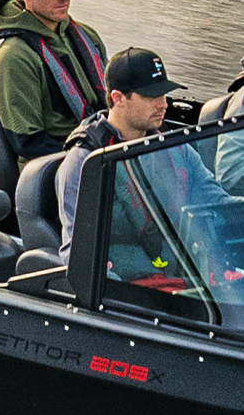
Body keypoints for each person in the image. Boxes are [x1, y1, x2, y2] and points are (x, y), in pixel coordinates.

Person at [17, 46, 188, 259]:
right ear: (118, 99)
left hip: (178, 267)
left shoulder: (174, 145)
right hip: (123, 279)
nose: (163, 104)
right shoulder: (85, 162)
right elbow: (78, 254)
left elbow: (210, 194)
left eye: (164, 94)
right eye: (150, 96)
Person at [0, 0, 109, 190]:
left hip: (97, 152)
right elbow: (29, 143)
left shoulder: (87, 36)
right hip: (54, 171)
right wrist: (95, 157)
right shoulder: (14, 57)